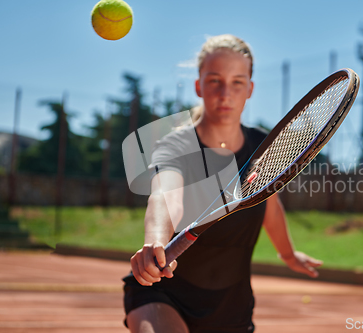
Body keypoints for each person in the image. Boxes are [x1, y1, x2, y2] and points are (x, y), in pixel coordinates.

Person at [123, 34, 323, 333]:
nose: (225, 93)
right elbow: (165, 195)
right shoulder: (176, 145)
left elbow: (269, 205)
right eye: (214, 80)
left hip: (232, 309)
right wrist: (155, 240)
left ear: (250, 89)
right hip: (163, 296)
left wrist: (288, 255)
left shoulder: (262, 147)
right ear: (198, 86)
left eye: (237, 82)